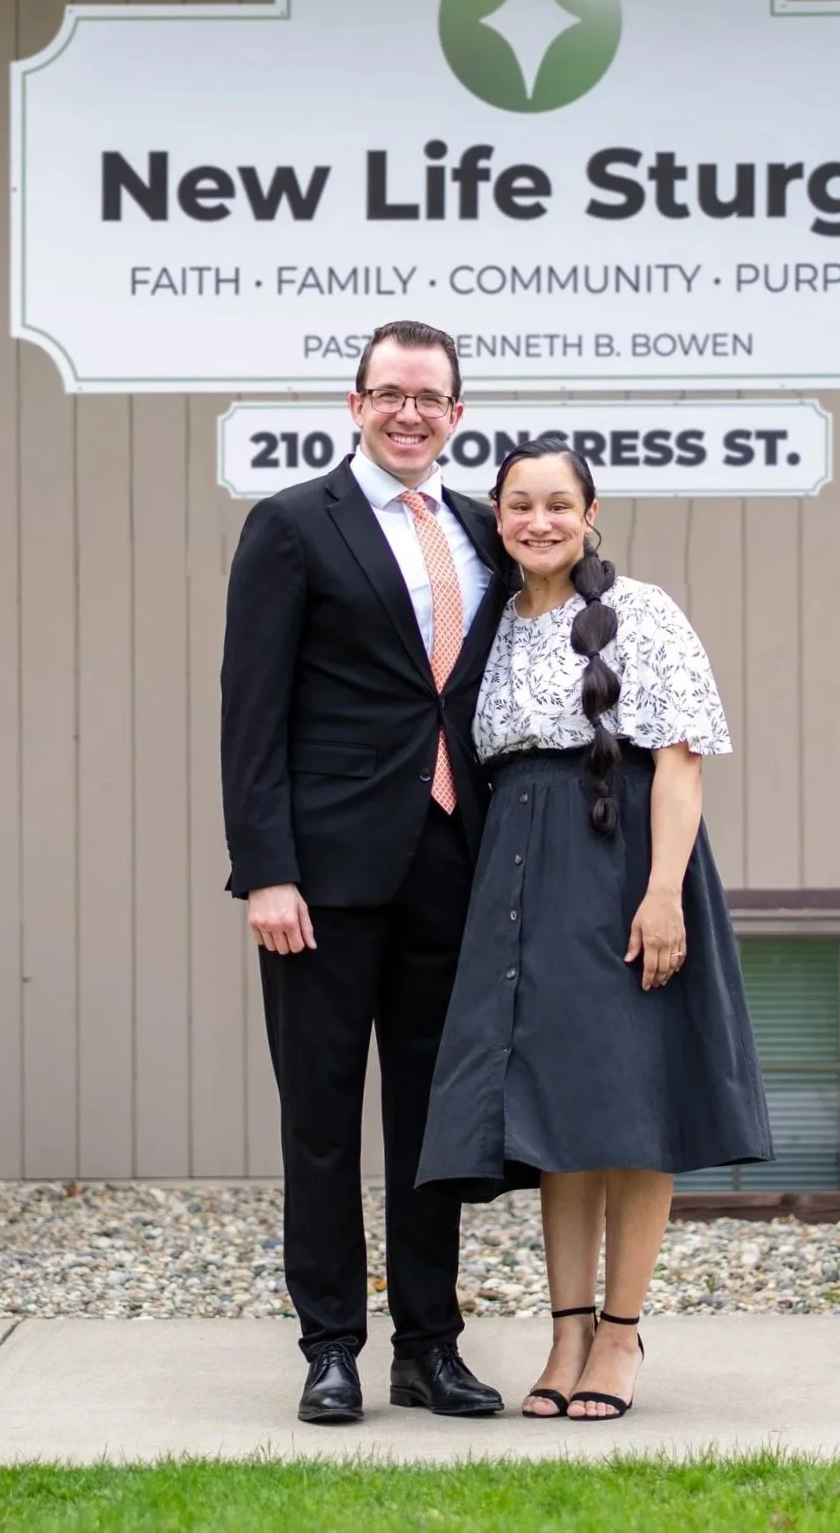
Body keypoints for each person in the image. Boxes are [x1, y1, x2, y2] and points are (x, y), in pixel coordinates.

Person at [416, 439, 773, 1421]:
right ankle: (564, 1330)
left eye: (556, 504)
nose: (537, 521)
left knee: (634, 1105)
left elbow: (680, 763)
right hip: (518, 880)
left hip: (620, 869)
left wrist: (661, 896)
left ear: (590, 511)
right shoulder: (490, 628)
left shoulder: (640, 614)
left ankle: (619, 1335)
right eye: (518, 505)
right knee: (557, 1115)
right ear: (495, 514)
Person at [220, 320, 512, 1424]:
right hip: (323, 879)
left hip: (454, 866)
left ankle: (428, 1347)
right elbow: (251, 713)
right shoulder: (294, 525)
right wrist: (266, 872)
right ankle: (331, 1346)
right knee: (321, 1118)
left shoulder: (485, 531)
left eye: (429, 397)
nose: (408, 413)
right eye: (388, 393)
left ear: (456, 415)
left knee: (434, 1126)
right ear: (354, 405)